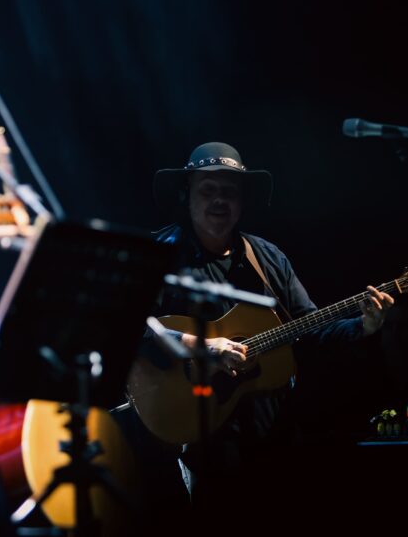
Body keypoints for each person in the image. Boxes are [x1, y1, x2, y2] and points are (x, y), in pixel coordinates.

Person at [149, 141, 394, 497]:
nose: (220, 200)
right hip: (192, 433)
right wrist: (203, 346)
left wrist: (364, 326)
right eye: (208, 190)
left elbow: (311, 327)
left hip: (271, 429)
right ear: (188, 196)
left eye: (230, 192)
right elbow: (131, 329)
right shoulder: (161, 255)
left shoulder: (267, 258)